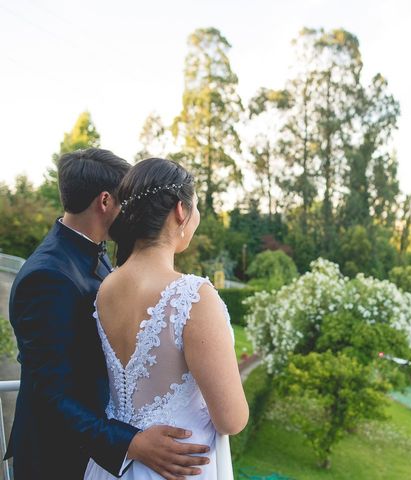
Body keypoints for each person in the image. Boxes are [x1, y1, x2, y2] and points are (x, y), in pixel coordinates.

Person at [6, 149, 210, 479]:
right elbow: (51, 394)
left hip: (91, 450)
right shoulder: (46, 277)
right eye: (126, 201)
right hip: (57, 459)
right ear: (104, 202)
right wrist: (132, 443)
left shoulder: (95, 256)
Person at [84, 158, 248, 479]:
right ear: (180, 211)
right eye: (196, 207)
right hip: (179, 466)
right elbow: (231, 419)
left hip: (115, 465)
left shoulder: (106, 287)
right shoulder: (193, 296)